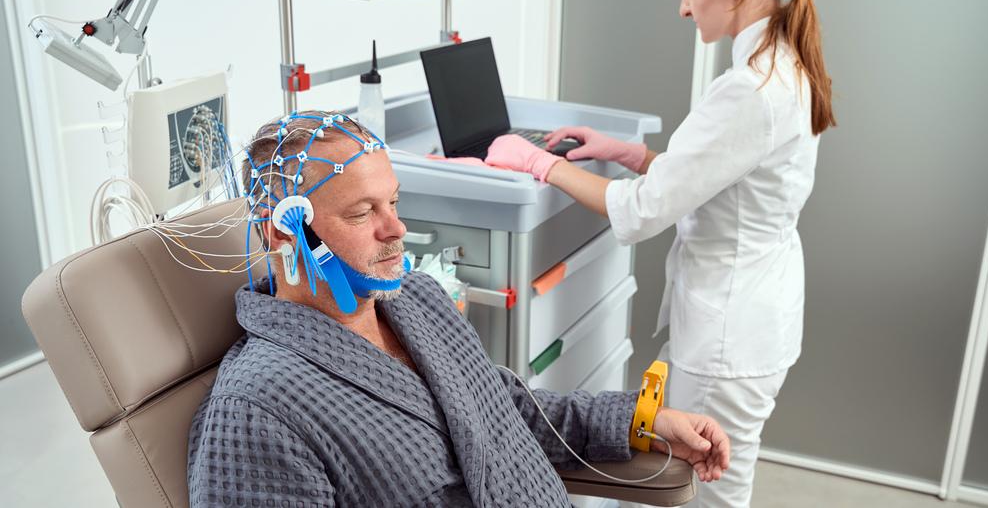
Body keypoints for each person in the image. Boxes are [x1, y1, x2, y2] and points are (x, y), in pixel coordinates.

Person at [186, 112, 731, 507]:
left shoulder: (418, 302)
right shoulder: (258, 410)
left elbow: (507, 412)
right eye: (361, 213)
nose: (396, 228)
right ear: (283, 231)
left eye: (394, 202)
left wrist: (646, 419)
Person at [482, 0, 835, 505]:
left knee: (708, 489)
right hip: (754, 307)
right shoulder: (780, 64)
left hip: (729, 328)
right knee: (711, 480)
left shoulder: (751, 89)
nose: (684, 7)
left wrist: (537, 162)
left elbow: (644, 212)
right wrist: (633, 153)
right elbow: (724, 179)